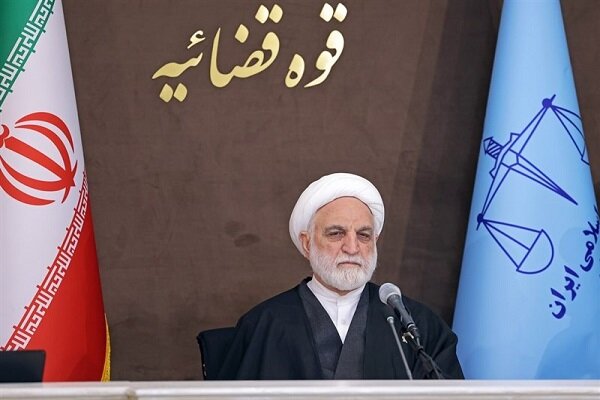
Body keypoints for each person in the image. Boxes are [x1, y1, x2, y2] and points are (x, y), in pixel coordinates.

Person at [218, 173, 463, 379]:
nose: (352, 248)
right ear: (307, 243)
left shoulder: (415, 324)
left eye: (364, 235)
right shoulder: (263, 324)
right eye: (336, 233)